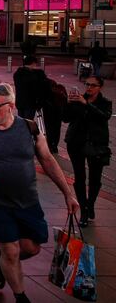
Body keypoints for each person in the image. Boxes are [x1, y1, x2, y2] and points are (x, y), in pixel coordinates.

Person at [0, 84, 79, 303]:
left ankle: (0, 257)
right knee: (11, 251)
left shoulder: (30, 129)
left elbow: (48, 161)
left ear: (11, 106)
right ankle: (20, 296)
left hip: (27, 201)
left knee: (32, 249)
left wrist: (68, 194)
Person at [63, 76, 111, 227]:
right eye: (87, 84)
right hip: (76, 142)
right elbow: (65, 118)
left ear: (100, 87)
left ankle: (91, 204)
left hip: (96, 145)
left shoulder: (105, 103)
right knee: (80, 177)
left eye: (93, 85)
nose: (89, 88)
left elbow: (104, 117)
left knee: (95, 179)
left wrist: (87, 105)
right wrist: (69, 104)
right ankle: (83, 210)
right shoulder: (78, 99)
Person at [12, 56, 49, 120]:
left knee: (21, 121)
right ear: (33, 63)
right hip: (30, 103)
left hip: (20, 102)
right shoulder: (33, 76)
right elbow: (37, 90)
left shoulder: (17, 73)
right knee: (28, 122)